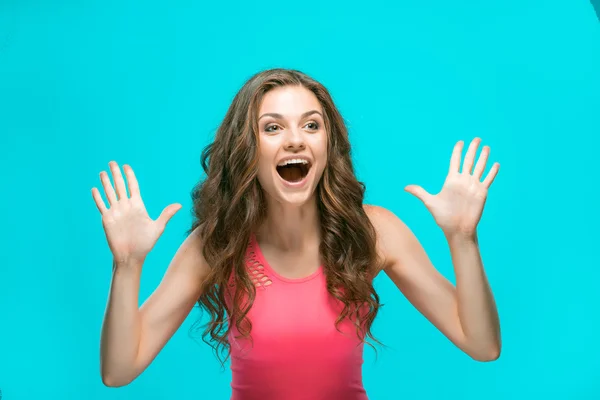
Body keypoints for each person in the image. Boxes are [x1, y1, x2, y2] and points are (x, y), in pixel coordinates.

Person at [92, 68, 501, 399]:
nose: (294, 140)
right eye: (272, 128)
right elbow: (118, 369)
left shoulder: (373, 231)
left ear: (328, 143)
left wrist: (463, 239)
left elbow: (482, 344)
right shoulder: (217, 244)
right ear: (247, 148)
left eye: (311, 125)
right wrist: (126, 265)